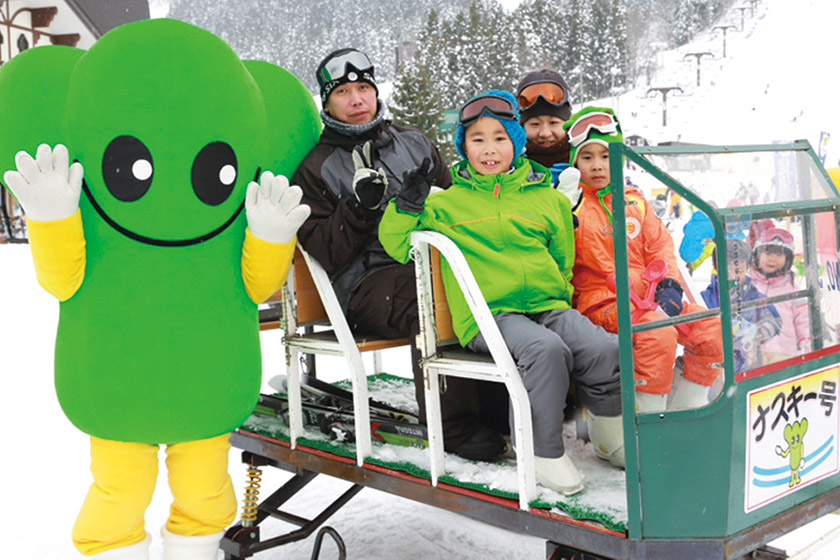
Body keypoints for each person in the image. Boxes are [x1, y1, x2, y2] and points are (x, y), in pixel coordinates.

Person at [378, 90, 625, 495]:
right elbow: (397, 243)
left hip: (545, 305)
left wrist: (557, 299)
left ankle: (608, 435)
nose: (489, 150)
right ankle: (542, 452)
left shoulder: (546, 198)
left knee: (602, 347)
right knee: (545, 351)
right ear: (463, 147)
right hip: (489, 315)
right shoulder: (447, 204)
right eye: (478, 139)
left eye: (500, 138)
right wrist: (406, 204)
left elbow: (561, 257)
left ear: (516, 142)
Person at [292, 48, 507, 461]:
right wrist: (359, 208)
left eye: (364, 88)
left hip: (426, 259)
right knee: (429, 294)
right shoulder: (315, 167)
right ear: (326, 101)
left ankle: (498, 407)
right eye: (344, 93)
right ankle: (452, 425)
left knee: (485, 279)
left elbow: (458, 204)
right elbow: (327, 253)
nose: (357, 100)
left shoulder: (413, 143)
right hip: (364, 283)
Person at [566, 106, 724, 412]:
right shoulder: (572, 205)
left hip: (649, 299)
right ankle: (647, 412)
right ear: (575, 163)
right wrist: (563, 211)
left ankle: (688, 405)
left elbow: (659, 247)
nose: (598, 166)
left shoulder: (635, 202)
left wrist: (669, 285)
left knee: (711, 327)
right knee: (656, 332)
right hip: (602, 303)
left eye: (606, 155)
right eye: (587, 157)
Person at [701, 239, 782, 372]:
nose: (733, 276)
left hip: (749, 366)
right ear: (716, 268)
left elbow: (775, 320)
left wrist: (757, 332)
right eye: (727, 270)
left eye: (739, 271)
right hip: (716, 370)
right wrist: (716, 332)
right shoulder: (705, 298)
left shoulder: (754, 297)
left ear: (747, 269)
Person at [515, 69, 581, 204]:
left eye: (553, 123)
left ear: (568, 125)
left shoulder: (584, 163)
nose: (545, 133)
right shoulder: (512, 169)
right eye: (534, 124)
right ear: (522, 128)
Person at [750, 227, 810, 362]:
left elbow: (804, 322)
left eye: (779, 255)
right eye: (767, 253)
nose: (772, 259)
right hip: (751, 354)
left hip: (783, 354)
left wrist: (807, 347)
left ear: (787, 259)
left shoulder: (792, 289)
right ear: (757, 255)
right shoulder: (749, 285)